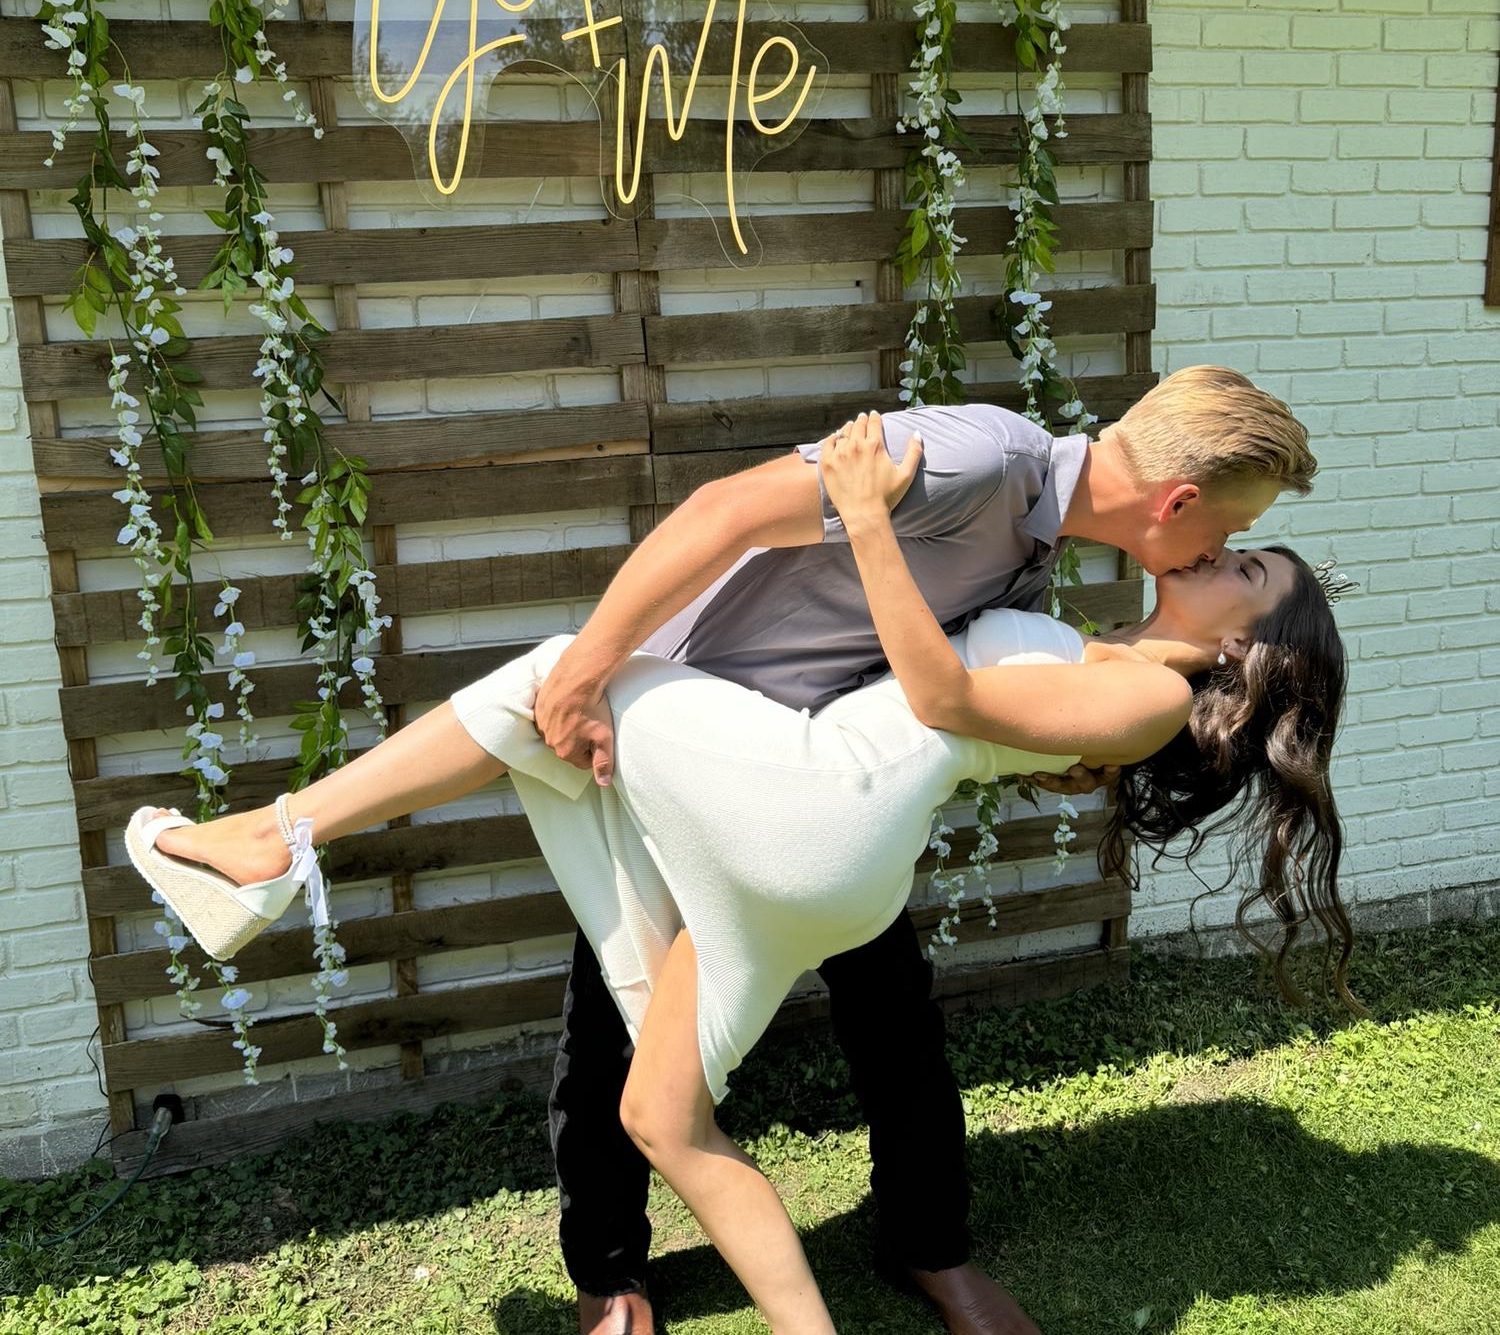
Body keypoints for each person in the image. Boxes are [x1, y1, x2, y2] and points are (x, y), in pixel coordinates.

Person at [125, 402, 1357, 1335]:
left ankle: (274, 840)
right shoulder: (1013, 511)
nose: (1230, 549)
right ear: (1179, 498)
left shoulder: (1127, 666)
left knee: (554, 676)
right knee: (654, 1110)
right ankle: (698, 1300)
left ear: (1243, 646)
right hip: (785, 815)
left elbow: (946, 693)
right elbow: (747, 530)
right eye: (1240, 538)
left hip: (809, 804)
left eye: (1247, 563)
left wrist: (859, 524)